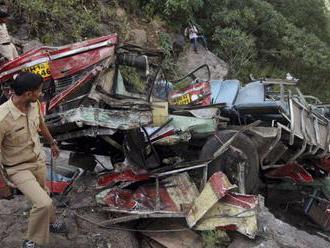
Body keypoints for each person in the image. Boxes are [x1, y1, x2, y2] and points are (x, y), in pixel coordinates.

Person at [0, 72, 66, 248]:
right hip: (17, 168)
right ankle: (32, 240)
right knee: (43, 203)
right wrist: (3, 185)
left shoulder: (35, 104)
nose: (41, 94)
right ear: (28, 93)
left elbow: (41, 125)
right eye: (39, 91)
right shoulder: (2, 118)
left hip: (37, 160)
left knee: (44, 194)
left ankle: (52, 223)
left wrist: (52, 143)